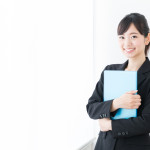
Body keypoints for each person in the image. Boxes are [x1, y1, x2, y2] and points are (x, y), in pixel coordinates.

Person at [86, 12, 150, 150]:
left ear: (147, 38)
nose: (127, 43)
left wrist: (109, 125)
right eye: (122, 37)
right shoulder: (110, 71)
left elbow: (147, 121)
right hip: (104, 145)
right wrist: (116, 103)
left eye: (133, 36)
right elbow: (91, 108)